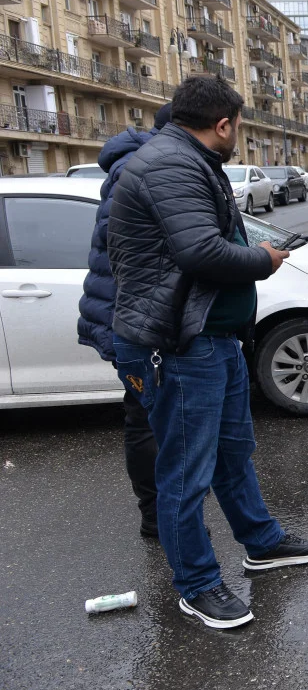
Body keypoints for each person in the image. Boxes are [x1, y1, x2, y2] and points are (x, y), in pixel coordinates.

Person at [108, 75, 308, 630]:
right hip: (180, 346)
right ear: (224, 124)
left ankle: (261, 542)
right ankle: (197, 584)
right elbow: (201, 251)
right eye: (240, 128)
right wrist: (265, 259)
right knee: (186, 471)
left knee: (233, 452)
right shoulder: (171, 166)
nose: (240, 137)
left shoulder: (186, 161)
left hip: (213, 339)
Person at [77, 103, 172, 538]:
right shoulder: (143, 170)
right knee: (147, 417)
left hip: (131, 314)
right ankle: (157, 516)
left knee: (150, 415)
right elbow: (134, 255)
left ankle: (163, 512)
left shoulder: (133, 165)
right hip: (137, 320)